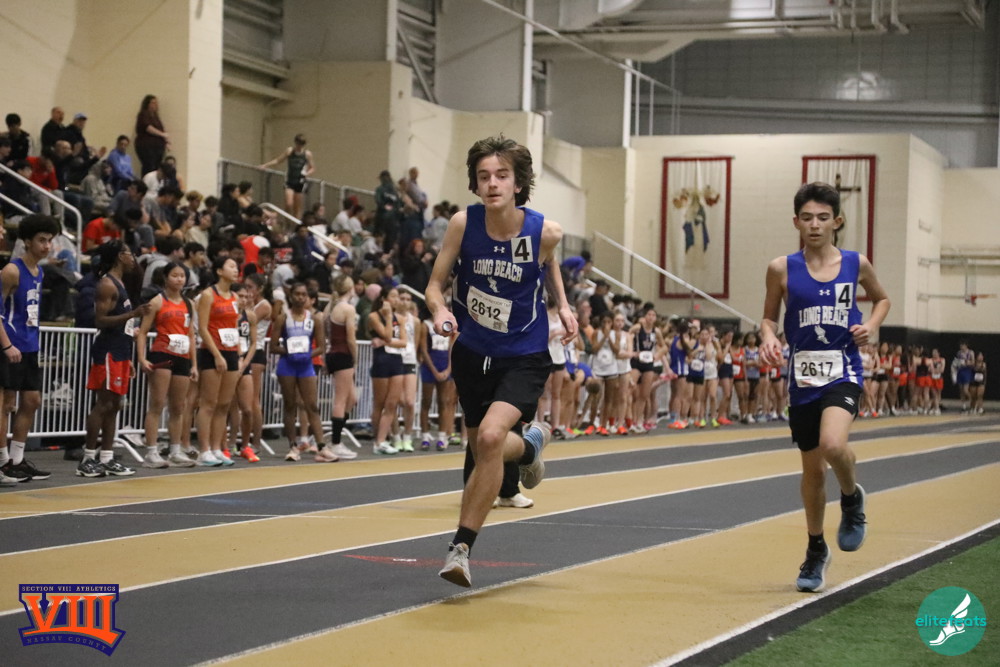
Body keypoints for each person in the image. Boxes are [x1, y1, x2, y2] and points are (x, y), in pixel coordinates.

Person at [425, 136, 576, 588]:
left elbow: (547, 261)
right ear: (475, 184)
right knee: (481, 446)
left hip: (524, 353)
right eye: (484, 176)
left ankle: (460, 548)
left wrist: (563, 304)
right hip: (473, 351)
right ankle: (529, 447)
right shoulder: (462, 224)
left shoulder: (545, 231)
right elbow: (434, 286)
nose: (492, 184)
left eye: (502, 176)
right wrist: (440, 311)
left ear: (518, 184)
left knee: (491, 437)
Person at [759, 181, 890, 593]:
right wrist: (768, 337)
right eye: (806, 218)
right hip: (802, 378)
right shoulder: (781, 268)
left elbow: (882, 299)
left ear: (837, 221)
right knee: (813, 470)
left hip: (843, 369)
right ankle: (816, 549)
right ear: (796, 222)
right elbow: (768, 317)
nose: (814, 225)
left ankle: (851, 498)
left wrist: (871, 325)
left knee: (834, 444)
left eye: (822, 217)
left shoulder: (855, 263)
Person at [77, 241, 152, 478]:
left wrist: (127, 356)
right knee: (103, 404)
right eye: (130, 254)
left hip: (120, 350)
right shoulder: (107, 285)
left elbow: (123, 326)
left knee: (115, 405)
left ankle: (107, 457)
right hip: (107, 350)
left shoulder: (120, 283)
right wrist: (133, 314)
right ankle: (88, 458)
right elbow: (100, 320)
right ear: (120, 256)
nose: (133, 258)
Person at [0, 215, 61, 482]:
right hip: (10, 345)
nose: (47, 246)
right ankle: (3, 463)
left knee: (32, 401)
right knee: (6, 404)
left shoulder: (40, 271)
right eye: (41, 240)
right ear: (27, 241)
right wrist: (7, 345)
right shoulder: (11, 271)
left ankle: (17, 459)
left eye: (50, 240)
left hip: (29, 345)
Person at [136, 262, 198, 468]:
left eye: (182, 276)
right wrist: (142, 358)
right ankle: (151, 452)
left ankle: (175, 450)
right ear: (165, 277)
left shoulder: (189, 304)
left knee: (178, 407)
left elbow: (191, 334)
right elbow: (143, 332)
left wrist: (194, 365)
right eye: (175, 275)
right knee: (157, 404)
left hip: (183, 356)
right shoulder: (157, 301)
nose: (179, 279)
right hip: (162, 354)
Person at [273, 282, 336, 462]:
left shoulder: (314, 319)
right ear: (291, 296)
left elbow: (321, 346)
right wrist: (289, 351)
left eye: (303, 294)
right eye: (297, 294)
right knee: (290, 405)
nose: (300, 297)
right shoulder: (283, 318)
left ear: (308, 297)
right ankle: (293, 446)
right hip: (287, 365)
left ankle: (321, 446)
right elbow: (273, 346)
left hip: (306, 365)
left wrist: (306, 354)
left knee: (312, 405)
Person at [195, 256, 244, 466]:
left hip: (230, 351)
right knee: (209, 403)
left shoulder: (235, 297)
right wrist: (216, 355)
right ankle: (204, 450)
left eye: (236, 267)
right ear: (219, 271)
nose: (235, 269)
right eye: (231, 266)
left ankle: (216, 448)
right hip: (212, 352)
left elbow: (234, 327)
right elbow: (202, 328)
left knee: (224, 404)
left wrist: (238, 355)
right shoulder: (208, 295)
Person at [322, 274, 360, 460]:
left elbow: (325, 333)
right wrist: (355, 358)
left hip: (333, 353)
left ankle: (336, 438)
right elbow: (350, 338)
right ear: (350, 288)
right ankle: (336, 443)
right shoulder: (347, 308)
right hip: (342, 354)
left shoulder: (330, 307)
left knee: (352, 399)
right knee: (341, 399)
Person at [259, 134, 314, 219]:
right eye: (298, 144)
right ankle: (287, 222)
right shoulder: (290, 151)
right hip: (290, 181)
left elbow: (312, 168)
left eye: (302, 144)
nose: (299, 146)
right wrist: (265, 165)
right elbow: (278, 160)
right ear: (295, 143)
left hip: (300, 181)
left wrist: (307, 174)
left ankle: (296, 224)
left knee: (297, 207)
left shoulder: (307, 154)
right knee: (289, 203)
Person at [134, 95, 169, 176]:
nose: (155, 105)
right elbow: (148, 127)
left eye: (156, 103)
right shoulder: (143, 115)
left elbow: (161, 129)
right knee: (149, 167)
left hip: (157, 148)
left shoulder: (156, 117)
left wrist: (166, 142)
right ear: (147, 104)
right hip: (146, 146)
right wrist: (162, 135)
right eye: (153, 103)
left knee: (156, 168)